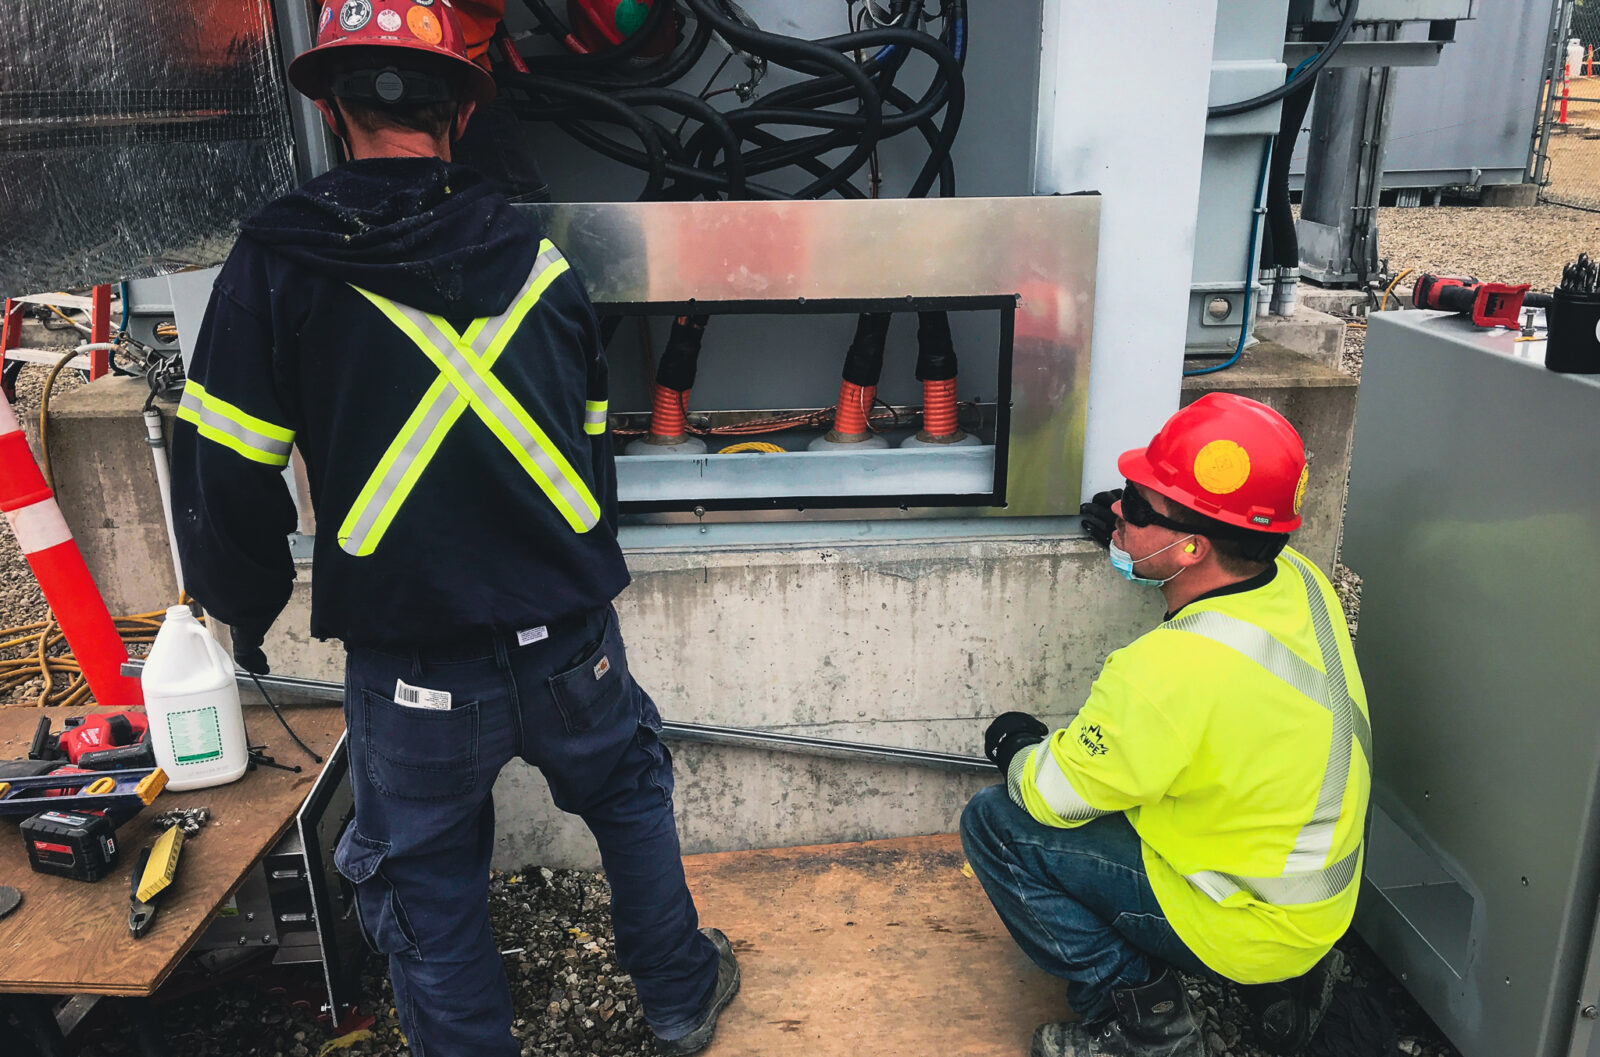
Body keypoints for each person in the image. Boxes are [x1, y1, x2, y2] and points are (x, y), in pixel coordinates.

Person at [169, 3, 738, 1055]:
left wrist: (240, 617)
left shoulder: (278, 261)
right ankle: (678, 994)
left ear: (335, 112)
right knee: (627, 795)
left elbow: (227, 470)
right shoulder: (536, 255)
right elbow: (590, 441)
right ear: (460, 114)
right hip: (568, 639)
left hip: (415, 666)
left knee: (424, 872)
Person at [961, 393, 1370, 1057]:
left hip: (1243, 923)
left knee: (995, 823)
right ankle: (1276, 991)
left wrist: (1018, 747)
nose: (1120, 508)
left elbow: (1051, 794)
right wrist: (1131, 538)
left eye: (1139, 507)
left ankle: (1141, 1027)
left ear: (1191, 547)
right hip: (1314, 907)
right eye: (1129, 492)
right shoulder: (1299, 581)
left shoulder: (1164, 672)